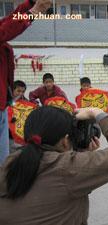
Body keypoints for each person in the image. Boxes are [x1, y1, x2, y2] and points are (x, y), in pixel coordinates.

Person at [0, 106, 108, 224]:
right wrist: (97, 113)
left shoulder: (9, 163)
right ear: (65, 141)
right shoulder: (66, 168)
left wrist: (80, 156)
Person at [0, 0, 52, 165]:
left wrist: (31, 4)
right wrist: (33, 11)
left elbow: (8, 21)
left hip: (1, 103)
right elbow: (5, 31)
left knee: (3, 158)